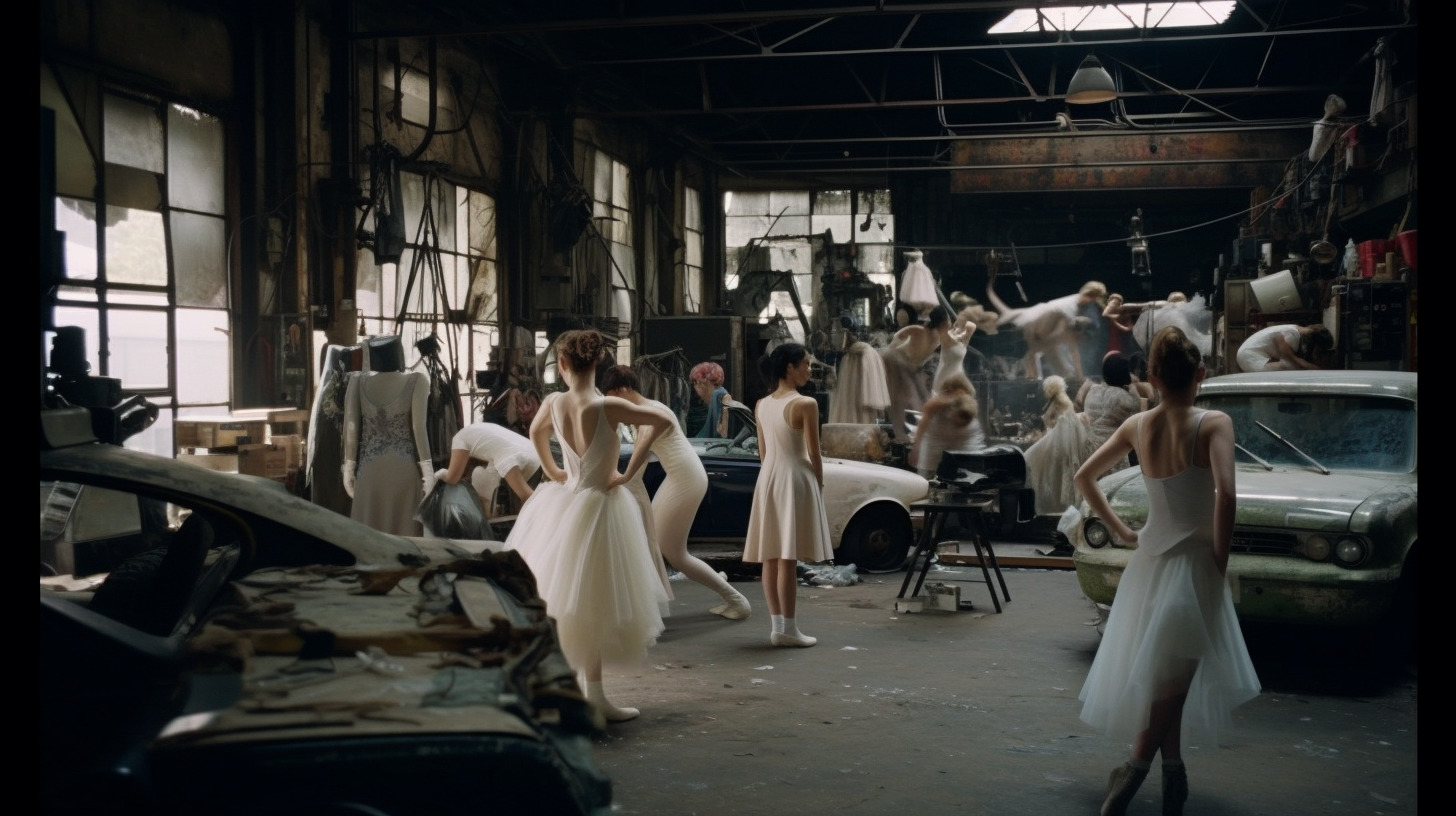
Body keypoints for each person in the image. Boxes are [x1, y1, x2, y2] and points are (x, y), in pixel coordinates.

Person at [1075, 325, 1260, 816]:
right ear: (1201, 373)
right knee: (1172, 680)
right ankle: (1135, 770)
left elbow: (1084, 477)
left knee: (1168, 679)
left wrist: (1120, 531)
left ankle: (1173, 775)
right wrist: (1219, 561)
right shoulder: (1214, 422)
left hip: (1150, 561)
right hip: (1195, 563)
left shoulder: (1140, 425)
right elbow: (1227, 494)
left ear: (1152, 377)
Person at [502, 329, 676, 724]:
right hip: (601, 504)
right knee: (594, 604)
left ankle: (571, 691)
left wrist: (554, 471)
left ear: (563, 365)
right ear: (599, 362)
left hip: (566, 502)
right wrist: (630, 470)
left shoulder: (554, 401)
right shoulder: (607, 406)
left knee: (567, 604)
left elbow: (535, 432)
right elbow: (663, 419)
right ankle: (593, 696)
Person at [600, 364, 753, 621]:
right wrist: (621, 483)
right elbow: (639, 464)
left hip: (687, 480)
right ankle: (713, 584)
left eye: (612, 398)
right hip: (679, 478)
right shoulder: (647, 412)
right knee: (657, 543)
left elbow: (640, 454)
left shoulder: (652, 411)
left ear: (623, 390)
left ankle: (736, 600)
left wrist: (619, 481)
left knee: (675, 553)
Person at [743, 343, 834, 648]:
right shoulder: (805, 404)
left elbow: (764, 452)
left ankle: (777, 627)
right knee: (787, 558)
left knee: (771, 555)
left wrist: (771, 474)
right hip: (794, 477)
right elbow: (814, 452)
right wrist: (818, 485)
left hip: (769, 476)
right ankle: (790, 629)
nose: (810, 369)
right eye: (806, 364)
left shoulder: (761, 404)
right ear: (790, 368)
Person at [341, 342, 434, 537]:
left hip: (369, 474)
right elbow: (419, 428)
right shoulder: (417, 381)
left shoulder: (357, 381)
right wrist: (428, 473)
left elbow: (350, 427)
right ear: (399, 355)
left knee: (368, 540)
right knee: (405, 542)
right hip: (404, 472)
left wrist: (348, 469)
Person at [984, 274, 1106, 380]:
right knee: (1043, 348)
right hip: (1040, 319)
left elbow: (1070, 344)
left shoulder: (1073, 311)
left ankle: (1037, 373)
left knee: (1050, 354)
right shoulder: (1070, 309)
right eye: (1092, 299)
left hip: (1043, 323)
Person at [434, 421, 543, 516]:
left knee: (528, 498)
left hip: (511, 457)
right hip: (535, 454)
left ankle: (545, 529)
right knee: (523, 502)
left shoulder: (459, 438)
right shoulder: (478, 431)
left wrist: (437, 475)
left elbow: (452, 478)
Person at [879, 305, 953, 442]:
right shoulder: (919, 330)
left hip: (910, 366)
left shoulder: (937, 338)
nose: (949, 324)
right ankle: (903, 434)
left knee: (919, 396)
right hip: (896, 359)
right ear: (942, 322)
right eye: (947, 320)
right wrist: (897, 346)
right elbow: (897, 337)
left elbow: (920, 357)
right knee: (904, 397)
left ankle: (921, 431)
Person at [910, 372, 980, 478]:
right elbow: (922, 426)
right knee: (928, 481)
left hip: (962, 446)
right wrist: (916, 448)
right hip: (934, 446)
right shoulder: (936, 404)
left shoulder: (970, 409)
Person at [1235, 323, 1334, 372]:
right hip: (1249, 357)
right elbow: (1289, 359)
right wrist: (1315, 369)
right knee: (1291, 368)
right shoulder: (1293, 335)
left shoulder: (1295, 328)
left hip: (1245, 353)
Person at [690, 361, 733, 438]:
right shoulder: (715, 398)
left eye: (696, 383)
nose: (696, 388)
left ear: (706, 382)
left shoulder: (720, 396)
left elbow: (724, 434)